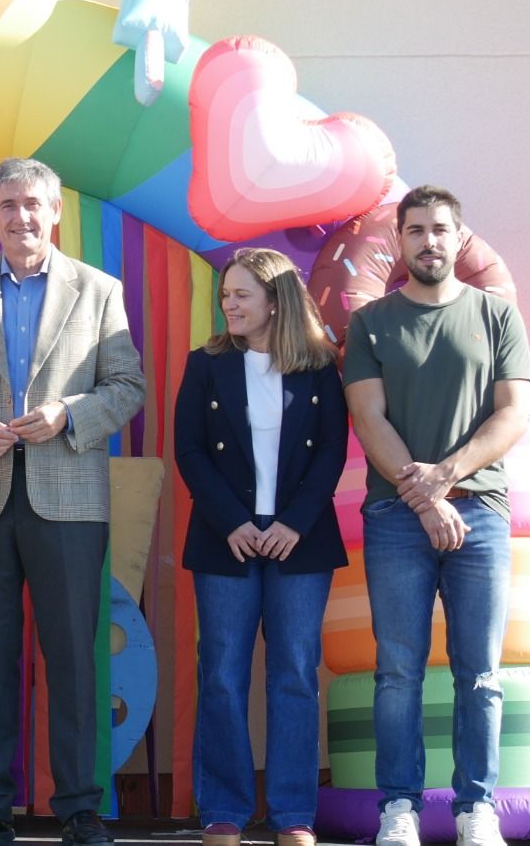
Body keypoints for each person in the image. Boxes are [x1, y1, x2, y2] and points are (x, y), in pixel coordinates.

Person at [0, 157, 145, 846]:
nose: (21, 216)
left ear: (55, 212)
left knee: (74, 657)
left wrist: (69, 415)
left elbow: (127, 385)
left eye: (33, 204)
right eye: (8, 205)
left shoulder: (100, 290)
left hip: (71, 499)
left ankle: (79, 808)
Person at [343, 186, 530, 846]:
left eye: (440, 229)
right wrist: (426, 500)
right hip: (396, 517)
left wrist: (446, 478)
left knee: (479, 673)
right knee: (398, 672)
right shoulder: (371, 323)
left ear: (459, 239)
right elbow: (368, 418)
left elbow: (513, 414)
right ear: (399, 241)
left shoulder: (497, 316)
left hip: (480, 513)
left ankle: (476, 808)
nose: (429, 240)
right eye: (416, 229)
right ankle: (399, 807)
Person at [173, 248, 347, 846]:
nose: (229, 304)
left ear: (276, 301)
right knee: (222, 672)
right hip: (227, 539)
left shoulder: (320, 366)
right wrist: (232, 523)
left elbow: (332, 450)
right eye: (226, 295)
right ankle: (223, 810)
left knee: (295, 672)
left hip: (301, 539)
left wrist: (294, 523)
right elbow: (190, 450)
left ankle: (293, 815)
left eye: (242, 294)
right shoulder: (205, 364)